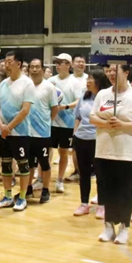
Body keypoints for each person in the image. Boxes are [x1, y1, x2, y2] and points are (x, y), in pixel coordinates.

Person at [90, 64, 132, 245]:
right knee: (107, 191)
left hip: (126, 154)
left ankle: (124, 228)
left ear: (126, 73)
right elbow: (92, 117)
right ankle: (108, 226)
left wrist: (123, 125)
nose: (110, 73)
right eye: (108, 70)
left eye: (115, 70)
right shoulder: (102, 95)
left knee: (124, 193)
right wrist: (106, 123)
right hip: (104, 151)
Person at [0, 51, 34, 212]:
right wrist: (0, 125)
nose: (6, 64)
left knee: (23, 165)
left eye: (10, 61)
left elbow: (25, 110)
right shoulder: (3, 84)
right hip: (3, 132)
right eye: (5, 61)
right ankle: (7, 196)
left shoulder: (27, 83)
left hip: (20, 133)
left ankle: (22, 197)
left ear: (19, 64)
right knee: (6, 164)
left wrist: (9, 127)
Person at [73, 69, 110, 217]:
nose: (87, 81)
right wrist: (74, 135)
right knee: (84, 174)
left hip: (98, 140)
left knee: (101, 174)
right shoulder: (84, 97)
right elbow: (78, 117)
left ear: (99, 81)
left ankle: (102, 205)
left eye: (91, 78)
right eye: (87, 78)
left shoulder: (105, 98)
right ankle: (84, 204)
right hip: (81, 139)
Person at [27, 58, 59, 204]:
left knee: (44, 163)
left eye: (37, 67)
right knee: (28, 164)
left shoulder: (49, 87)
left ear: (42, 69)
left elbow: (54, 108)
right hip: (27, 132)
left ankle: (45, 190)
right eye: (32, 67)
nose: (34, 69)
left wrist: (47, 123)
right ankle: (27, 188)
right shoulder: (25, 86)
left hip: (43, 133)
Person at [48, 53, 77, 193]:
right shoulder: (50, 81)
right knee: (46, 151)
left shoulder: (74, 82)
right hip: (51, 122)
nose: (58, 65)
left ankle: (59, 180)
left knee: (63, 152)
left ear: (69, 65)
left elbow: (79, 101)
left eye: (61, 62)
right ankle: (41, 179)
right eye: (57, 62)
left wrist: (64, 107)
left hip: (67, 123)